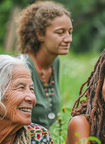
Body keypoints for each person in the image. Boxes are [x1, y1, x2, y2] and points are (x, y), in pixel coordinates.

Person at [17, 1, 73, 130]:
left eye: (70, 32)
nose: (68, 39)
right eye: (60, 33)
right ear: (40, 34)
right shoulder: (22, 66)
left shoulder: (55, 62)